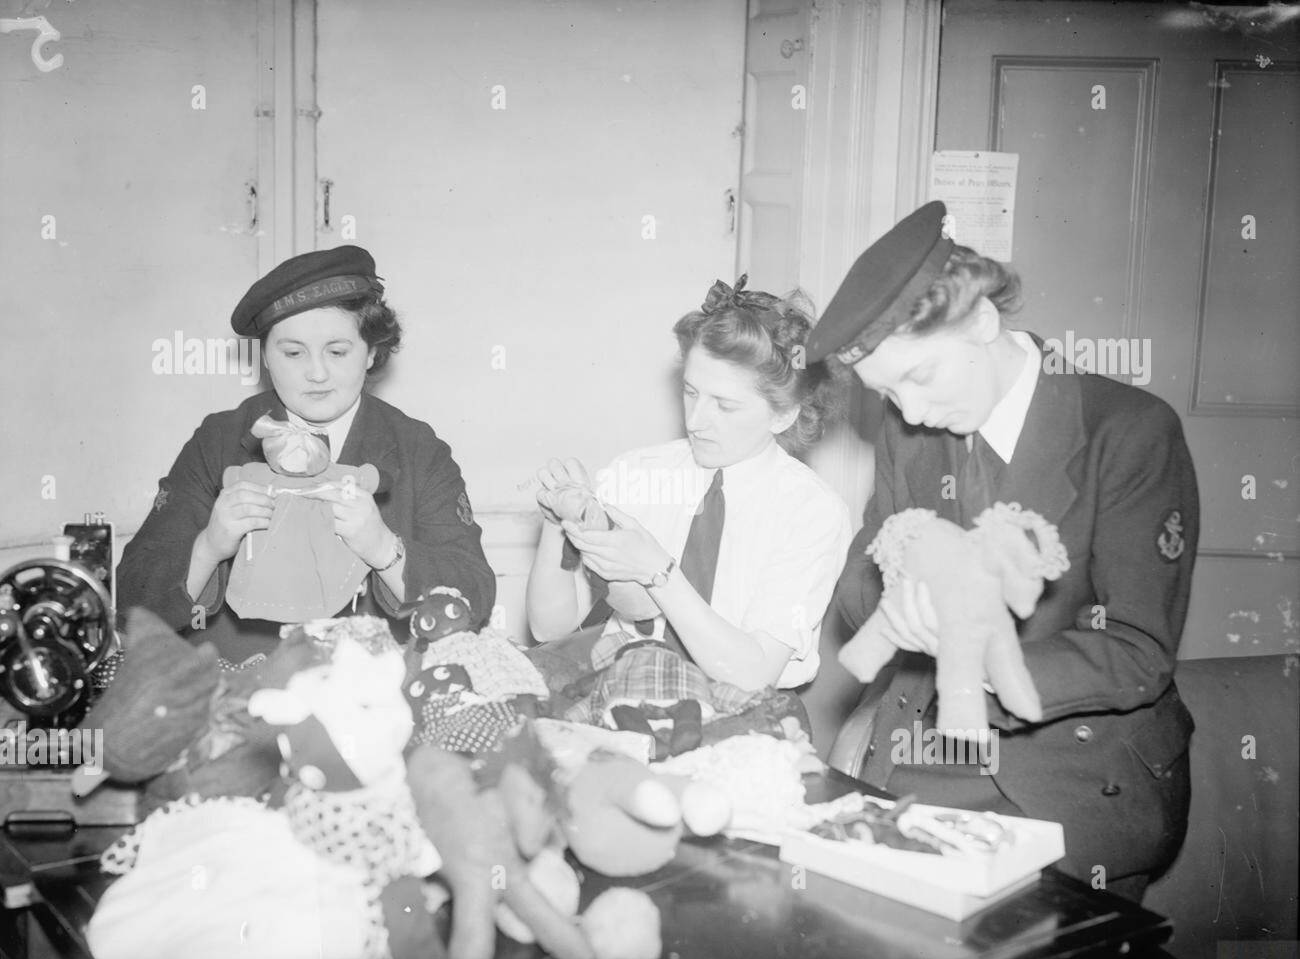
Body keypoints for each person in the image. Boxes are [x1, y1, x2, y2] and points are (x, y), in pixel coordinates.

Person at [803, 202, 1199, 900]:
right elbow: (860, 579)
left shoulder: (1130, 430)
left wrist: (977, 655)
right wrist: (898, 600)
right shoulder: (909, 432)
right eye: (886, 393)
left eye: (920, 377)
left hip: (1075, 776)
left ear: (984, 321)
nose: (910, 413)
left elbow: (1138, 649)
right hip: (924, 756)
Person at [118, 246, 495, 662]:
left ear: (371, 352)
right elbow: (131, 602)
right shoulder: (218, 441)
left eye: (337, 352)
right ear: (264, 356)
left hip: (373, 696)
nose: (316, 373)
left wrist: (386, 551)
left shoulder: (419, 450)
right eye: (293, 353)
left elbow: (475, 599)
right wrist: (208, 547)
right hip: (238, 691)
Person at [525, 277, 852, 692]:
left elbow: (752, 674)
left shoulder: (811, 511)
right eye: (691, 392)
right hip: (622, 692)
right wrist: (557, 524)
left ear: (783, 415)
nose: (696, 420)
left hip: (747, 715)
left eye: (725, 405)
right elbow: (549, 629)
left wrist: (659, 572)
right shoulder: (637, 472)